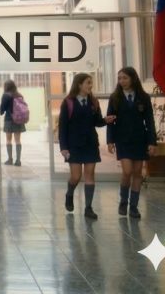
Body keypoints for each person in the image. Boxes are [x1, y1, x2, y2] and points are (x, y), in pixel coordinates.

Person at [105, 67, 156, 219]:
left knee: (137, 173)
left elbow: (150, 121)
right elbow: (110, 120)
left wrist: (152, 142)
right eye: (119, 78)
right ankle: (123, 201)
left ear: (133, 79)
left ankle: (133, 207)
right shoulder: (115, 97)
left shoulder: (143, 97)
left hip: (139, 140)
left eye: (125, 78)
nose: (122, 81)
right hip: (123, 140)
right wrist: (110, 140)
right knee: (127, 171)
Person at [58, 73, 106, 220]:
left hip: (90, 144)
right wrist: (63, 147)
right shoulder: (68, 102)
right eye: (88, 83)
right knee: (76, 176)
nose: (91, 85)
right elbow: (62, 126)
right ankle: (69, 193)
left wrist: (105, 120)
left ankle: (88, 208)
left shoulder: (94, 102)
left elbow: (97, 122)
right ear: (79, 84)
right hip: (74, 145)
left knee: (90, 175)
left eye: (91, 83)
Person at [0, 80, 25, 166]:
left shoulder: (6, 95)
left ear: (6, 87)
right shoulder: (19, 95)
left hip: (9, 120)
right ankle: (18, 161)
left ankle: (10, 159)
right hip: (19, 120)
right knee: (18, 140)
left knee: (8, 140)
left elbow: (1, 111)